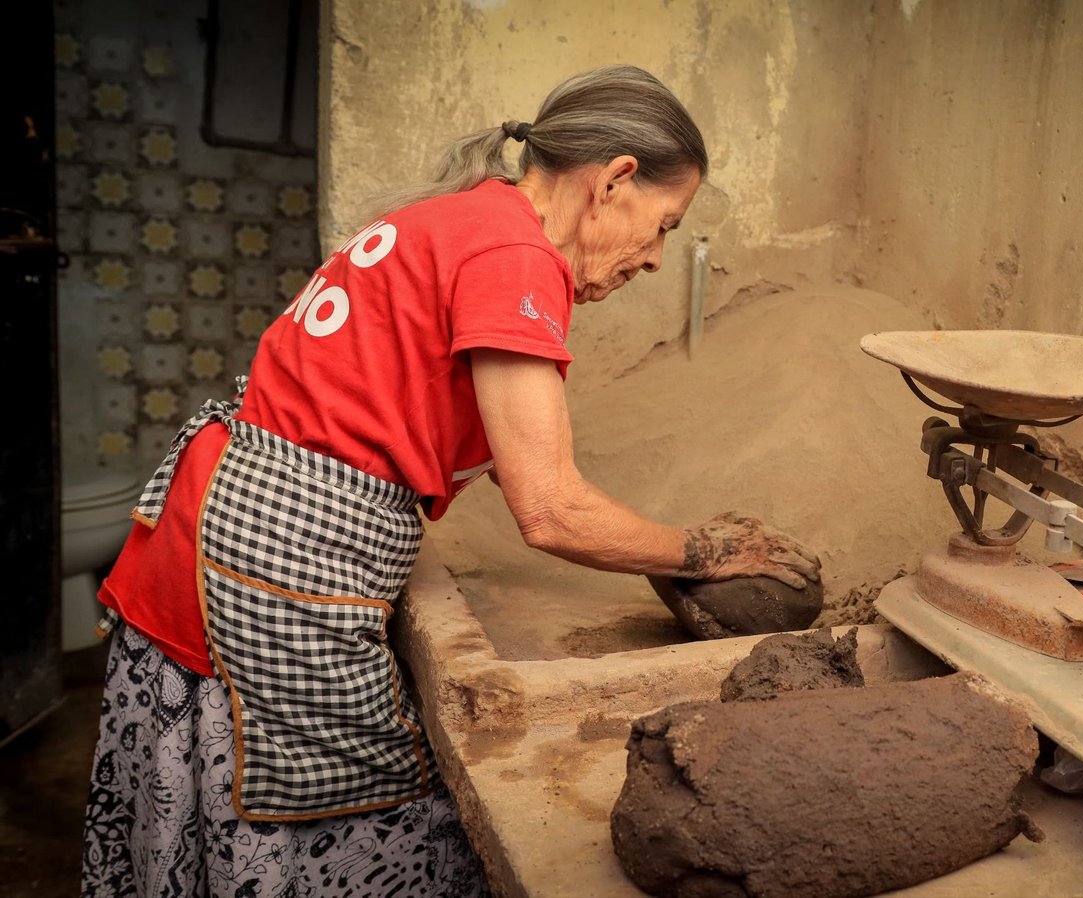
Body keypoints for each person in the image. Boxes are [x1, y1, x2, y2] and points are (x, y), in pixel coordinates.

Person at [81, 64, 820, 897]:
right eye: (662, 226)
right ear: (614, 180)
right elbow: (548, 507)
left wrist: (649, 551)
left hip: (228, 528)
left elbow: (513, 466)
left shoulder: (465, 217)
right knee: (383, 833)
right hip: (270, 566)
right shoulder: (516, 253)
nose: (653, 259)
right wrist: (705, 553)